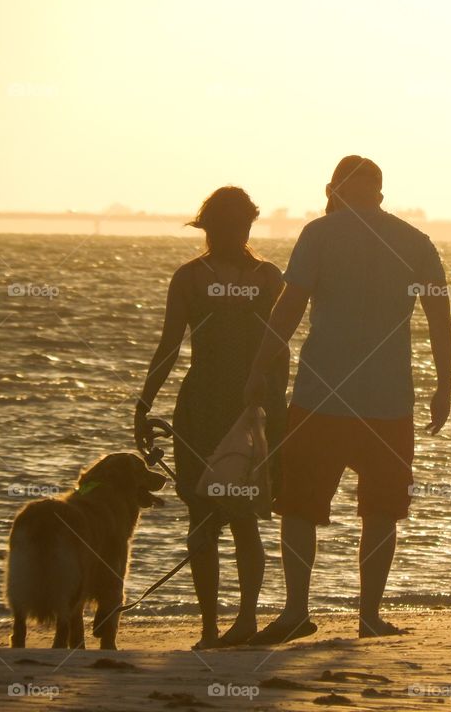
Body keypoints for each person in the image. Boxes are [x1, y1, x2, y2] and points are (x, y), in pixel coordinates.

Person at [244, 156, 451, 643]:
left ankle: (296, 612)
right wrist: (444, 385)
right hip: (389, 402)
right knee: (381, 510)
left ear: (334, 191)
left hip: (321, 397)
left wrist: (257, 369)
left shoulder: (319, 234)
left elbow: (289, 308)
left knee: (299, 507)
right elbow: (439, 318)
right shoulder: (415, 241)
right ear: (379, 193)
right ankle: (369, 617)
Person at [134, 186, 288, 649]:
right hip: (220, 406)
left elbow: (278, 349)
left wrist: (272, 409)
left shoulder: (248, 277)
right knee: (218, 515)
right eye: (226, 227)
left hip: (236, 407)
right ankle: (218, 625)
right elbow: (169, 347)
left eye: (234, 227)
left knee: (230, 516)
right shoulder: (239, 278)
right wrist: (144, 404)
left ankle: (233, 624)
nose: (229, 235)